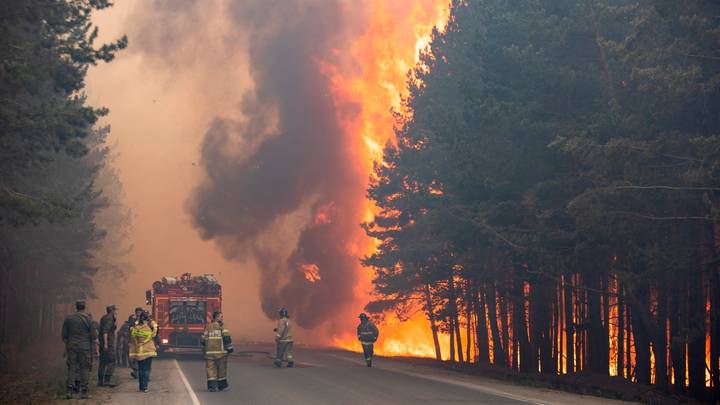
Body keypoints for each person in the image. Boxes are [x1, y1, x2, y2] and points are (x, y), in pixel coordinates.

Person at [61, 300, 97, 399]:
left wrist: (67, 346)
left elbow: (64, 336)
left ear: (76, 307)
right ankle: (84, 392)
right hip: (84, 348)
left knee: (72, 367)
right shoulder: (88, 319)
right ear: (84, 307)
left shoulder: (68, 319)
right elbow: (93, 336)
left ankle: (69, 391)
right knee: (84, 368)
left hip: (72, 346)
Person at [201, 311, 233, 392]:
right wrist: (230, 348)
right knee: (221, 370)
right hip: (221, 353)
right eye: (221, 317)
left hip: (209, 354)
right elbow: (227, 339)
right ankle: (221, 385)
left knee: (210, 370)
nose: (222, 318)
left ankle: (212, 387)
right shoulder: (222, 326)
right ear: (217, 317)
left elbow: (202, 340)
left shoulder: (207, 326)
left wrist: (205, 349)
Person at [129, 310, 157, 392]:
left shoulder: (136, 328)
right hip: (149, 351)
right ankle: (145, 387)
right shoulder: (150, 328)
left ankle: (141, 387)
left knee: (141, 369)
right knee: (147, 369)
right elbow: (155, 331)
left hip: (140, 352)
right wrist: (150, 321)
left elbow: (132, 335)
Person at [98, 304, 118, 387]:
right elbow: (105, 331)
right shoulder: (109, 319)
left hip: (102, 343)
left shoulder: (104, 317)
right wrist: (106, 344)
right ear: (112, 311)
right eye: (115, 310)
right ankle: (107, 380)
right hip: (107, 343)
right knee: (112, 360)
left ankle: (100, 381)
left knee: (102, 362)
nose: (116, 312)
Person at [127, 307, 143, 379]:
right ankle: (135, 370)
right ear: (136, 312)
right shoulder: (132, 318)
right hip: (132, 339)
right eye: (138, 312)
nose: (139, 313)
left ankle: (136, 372)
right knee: (131, 358)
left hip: (140, 340)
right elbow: (130, 326)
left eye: (140, 312)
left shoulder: (144, 319)